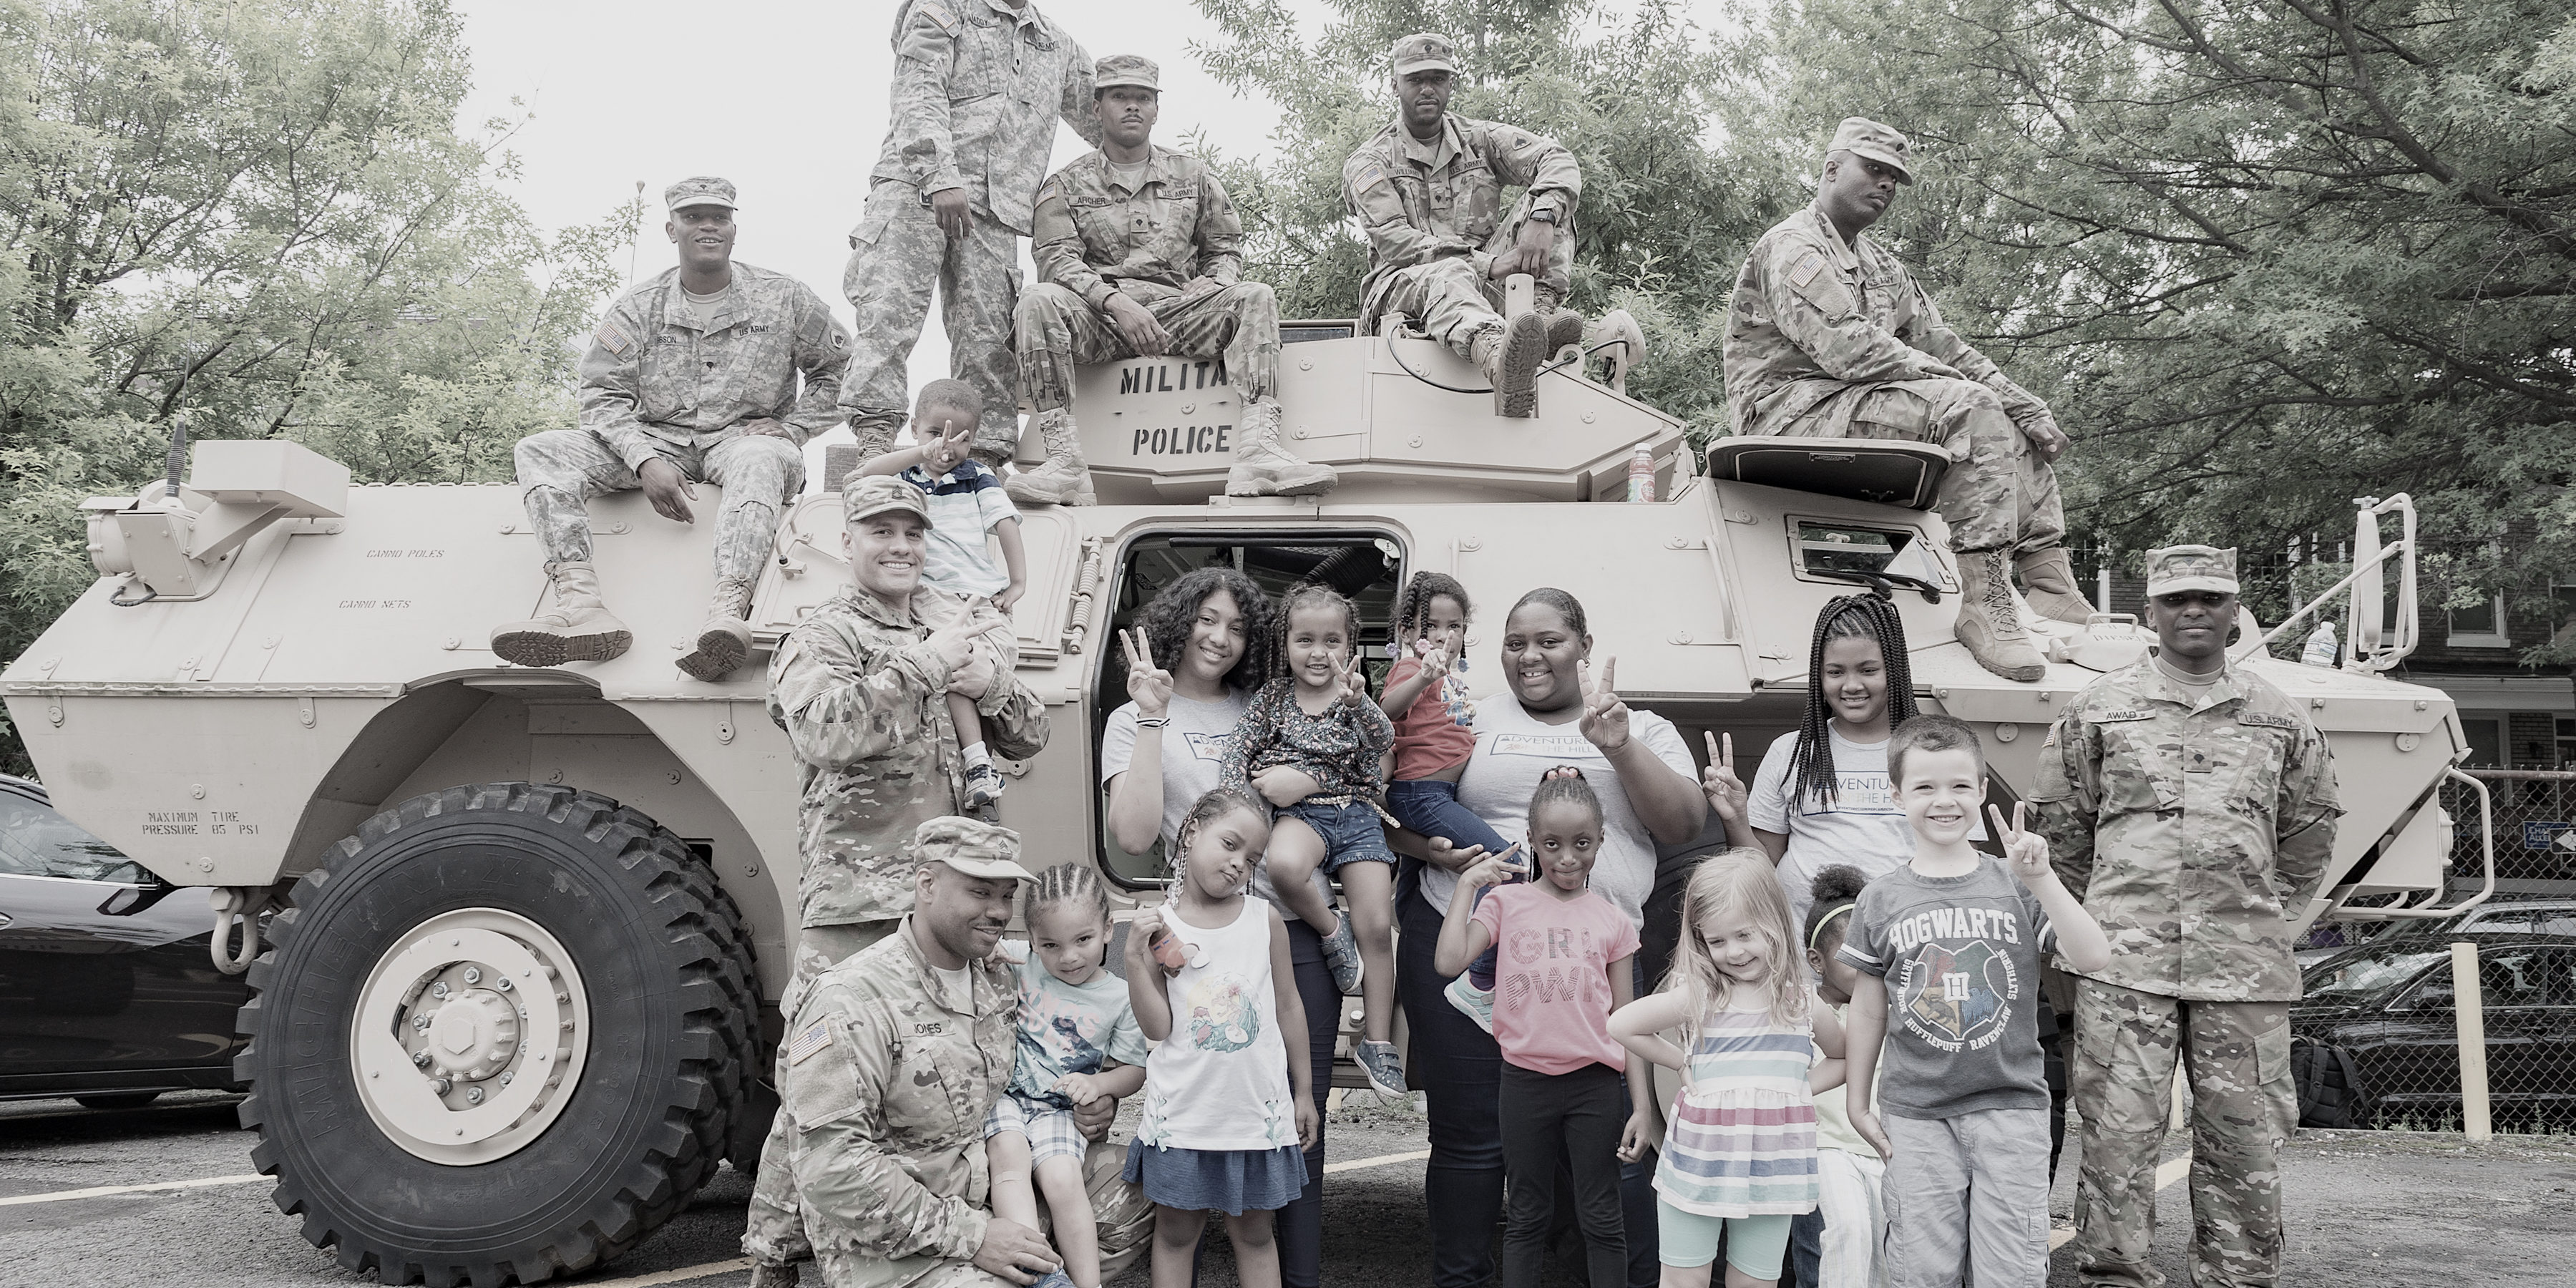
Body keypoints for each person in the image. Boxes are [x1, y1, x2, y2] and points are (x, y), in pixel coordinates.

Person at [741, 474, 1055, 1284]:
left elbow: (1028, 735)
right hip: (858, 898)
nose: (901, 547)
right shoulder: (824, 633)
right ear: (847, 541)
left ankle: (927, 1239)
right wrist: (923, 666)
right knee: (816, 1086)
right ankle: (774, 1256)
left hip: (950, 903)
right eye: (881, 532)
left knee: (941, 1075)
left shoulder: (950, 621)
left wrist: (992, 688)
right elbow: (822, 732)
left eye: (913, 533)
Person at [2028, 545, 2341, 1288]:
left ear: (2235, 610)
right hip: (2124, 968)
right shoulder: (2099, 709)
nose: (2193, 610)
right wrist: (2101, 924)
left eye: (2210, 597)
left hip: (2243, 970)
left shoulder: (2278, 716)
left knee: (2245, 1139)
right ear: (2150, 613)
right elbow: (2062, 826)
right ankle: (2116, 1275)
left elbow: (2310, 829)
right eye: (2176, 599)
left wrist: (2260, 916)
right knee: (2117, 1135)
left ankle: (2238, 1276)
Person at [1390, 587, 1707, 1288]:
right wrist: (1433, 850)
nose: (1529, 657)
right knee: (1471, 1140)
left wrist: (1617, 746)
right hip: (1477, 959)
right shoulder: (1470, 711)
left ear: (1584, 647)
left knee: (1607, 1147)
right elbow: (1403, 800)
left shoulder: (1639, 726)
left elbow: (1684, 824)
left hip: (1595, 965)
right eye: (1514, 643)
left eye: (1549, 641)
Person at [1721, 118, 2086, 684]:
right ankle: (1984, 603)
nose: (1886, 184)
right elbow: (1849, 350)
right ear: (1832, 169)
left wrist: (2025, 404)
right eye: (1873, 169)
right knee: (1971, 408)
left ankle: (2047, 582)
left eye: (1894, 177)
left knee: (2006, 416)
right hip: (1789, 410)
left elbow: (1944, 345)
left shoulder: (1882, 267)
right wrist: (1970, 392)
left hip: (1853, 401)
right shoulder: (1792, 247)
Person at [492, 176, 849, 680]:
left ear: (734, 229)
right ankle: (580, 604)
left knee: (760, 456)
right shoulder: (638, 307)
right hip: (659, 440)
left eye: (719, 217)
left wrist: (796, 428)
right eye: (693, 217)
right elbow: (601, 395)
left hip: (745, 441)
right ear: (671, 229)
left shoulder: (783, 297)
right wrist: (643, 459)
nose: (708, 226)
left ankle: (729, 612)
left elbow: (843, 371)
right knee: (540, 450)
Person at [1094, 569, 1338, 1288]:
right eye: (1207, 619)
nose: (1220, 638)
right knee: (1192, 1149)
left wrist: (1312, 780)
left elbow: (1340, 767)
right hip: (1194, 940)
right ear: (1180, 621)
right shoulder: (1135, 717)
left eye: (1237, 627)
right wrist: (1151, 716)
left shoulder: (1266, 707)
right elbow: (1133, 833)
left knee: (1291, 1131)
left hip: (1280, 929)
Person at [777, 817, 1150, 1288]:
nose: (998, 911)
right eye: (979, 892)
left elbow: (1064, 1051)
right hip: (908, 1240)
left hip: (995, 1185)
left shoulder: (1000, 975)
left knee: (1145, 1186)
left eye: (1006, 895)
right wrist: (973, 1236)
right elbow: (830, 1167)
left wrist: (1097, 1100)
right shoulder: (851, 999)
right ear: (926, 885)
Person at [1836, 716, 2113, 1288]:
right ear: (1897, 795)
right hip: (1917, 1116)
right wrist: (1857, 1103)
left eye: (1960, 785)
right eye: (1925, 786)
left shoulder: (2016, 884)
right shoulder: (1879, 899)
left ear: (1983, 789)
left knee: (2009, 1271)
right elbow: (1867, 1008)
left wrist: (2042, 879)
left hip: (2011, 1112)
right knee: (1923, 1269)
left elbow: (2093, 956)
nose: (1945, 800)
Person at [1013, 54, 1335, 504]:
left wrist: (1215, 282)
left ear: (1156, 109)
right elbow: (1056, 260)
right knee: (1037, 299)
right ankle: (1064, 462)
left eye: (1143, 98)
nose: (1133, 106)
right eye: (1120, 96)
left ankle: (1259, 451)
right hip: (1102, 320)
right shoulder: (1065, 185)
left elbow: (1225, 247)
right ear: (1097, 108)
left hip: (1179, 314)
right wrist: (1115, 303)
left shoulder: (1192, 174)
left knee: (1255, 296)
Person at [841, 0, 1100, 471]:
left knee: (990, 339)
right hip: (915, 188)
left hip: (997, 209)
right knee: (889, 316)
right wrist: (940, 176)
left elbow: (1109, 118)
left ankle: (982, 457)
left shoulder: (1057, 45)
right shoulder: (946, 7)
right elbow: (917, 88)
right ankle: (876, 440)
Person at [1435, 769, 1655, 1288]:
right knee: (1527, 1214)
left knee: (1602, 1215)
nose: (1567, 858)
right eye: (1552, 844)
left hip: (1595, 1086)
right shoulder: (1505, 904)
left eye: (1582, 844)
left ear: (1601, 840)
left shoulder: (1613, 921)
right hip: (1524, 1082)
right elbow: (1448, 961)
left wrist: (1643, 1108)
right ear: (1532, 840)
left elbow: (1629, 1023)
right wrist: (1467, 884)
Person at [1609, 849, 1845, 1288]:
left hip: (1773, 1168)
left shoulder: (1801, 1002)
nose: (1733, 952)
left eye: (1745, 935)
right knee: (1683, 1280)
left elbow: (1844, 1058)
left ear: (1775, 924)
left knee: (1754, 1282)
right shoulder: (1701, 995)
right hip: (1698, 1164)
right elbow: (1621, 1025)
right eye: (1717, 942)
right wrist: (1681, 1062)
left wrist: (1799, 1089)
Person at [1123, 788, 1319, 1288]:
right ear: (1192, 832)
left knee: (1255, 1235)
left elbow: (1289, 1006)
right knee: (1175, 1235)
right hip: (1185, 1117)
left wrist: (1303, 1093)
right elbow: (1157, 1028)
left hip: (1254, 1117)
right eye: (1230, 844)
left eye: (1251, 859)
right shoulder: (1158, 928)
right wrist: (1133, 961)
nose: (1238, 865)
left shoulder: (1264, 919)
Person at [1218, 585, 1404, 1098]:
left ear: (1350, 645)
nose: (1319, 653)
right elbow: (1237, 752)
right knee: (1283, 864)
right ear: (1286, 643)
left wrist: (1360, 702)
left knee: (1376, 924)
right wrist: (1236, 807)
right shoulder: (1274, 698)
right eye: (1305, 640)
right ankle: (1330, 931)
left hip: (1357, 815)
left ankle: (1378, 1044)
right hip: (1303, 816)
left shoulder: (1354, 698)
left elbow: (1383, 745)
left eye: (1331, 641)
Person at [1342, 34, 1585, 417]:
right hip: (1399, 289)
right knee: (1451, 271)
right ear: (1395, 85)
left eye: (1438, 79)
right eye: (1415, 79)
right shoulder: (1371, 160)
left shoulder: (1479, 139)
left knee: (1549, 203)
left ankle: (1535, 321)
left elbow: (1557, 158)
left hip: (1482, 288)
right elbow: (1395, 241)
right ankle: (1501, 363)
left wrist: (1541, 217)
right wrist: (1487, 264)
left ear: (1450, 84)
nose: (1427, 89)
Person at [856, 381, 1028, 810]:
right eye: (937, 433)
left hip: (978, 597)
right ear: (914, 428)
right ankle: (977, 765)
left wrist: (1018, 581)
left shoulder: (977, 476)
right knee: (950, 671)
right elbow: (860, 478)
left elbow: (1005, 523)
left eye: (962, 438)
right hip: (931, 595)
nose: (948, 448)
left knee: (982, 675)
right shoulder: (906, 477)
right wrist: (921, 453)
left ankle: (980, 765)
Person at [985, 864, 1148, 1288]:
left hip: (1060, 1110)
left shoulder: (1120, 997)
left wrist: (1099, 1084)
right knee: (1008, 1162)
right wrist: (986, 951)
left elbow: (1134, 1071)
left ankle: (1086, 1283)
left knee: (1063, 1180)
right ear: (1033, 940)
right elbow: (984, 947)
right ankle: (1039, 1272)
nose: (1069, 957)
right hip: (1007, 1098)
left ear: (1108, 930)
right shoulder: (1023, 962)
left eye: (1082, 940)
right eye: (1051, 945)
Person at [1379, 572, 1513, 1028]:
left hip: (1437, 794)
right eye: (1430, 626)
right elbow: (1385, 713)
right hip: (1423, 795)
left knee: (1415, 875)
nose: (1443, 636)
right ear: (1406, 632)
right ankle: (1479, 980)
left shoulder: (1449, 678)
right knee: (1502, 864)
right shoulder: (1411, 670)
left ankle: (1404, 920)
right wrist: (1423, 677)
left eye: (1454, 626)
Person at [1794, 866, 1886, 1288]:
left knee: (1886, 1251)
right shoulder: (1803, 1011)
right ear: (1817, 961)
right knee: (1845, 1233)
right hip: (1824, 1150)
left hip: (1884, 1150)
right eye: (1853, 952)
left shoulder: (1892, 1009)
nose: (1868, 963)